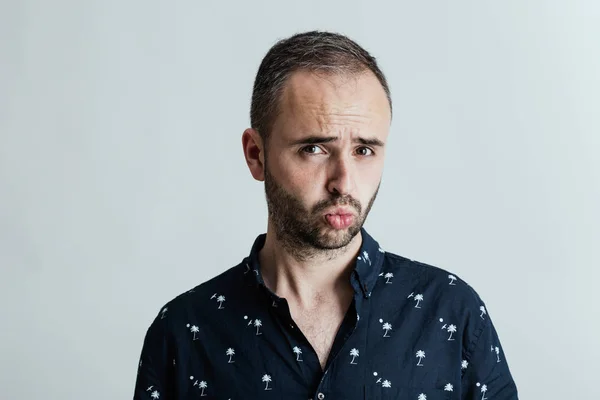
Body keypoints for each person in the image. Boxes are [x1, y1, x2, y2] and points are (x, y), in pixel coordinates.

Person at [133, 31, 518, 399]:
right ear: (256, 154)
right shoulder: (184, 333)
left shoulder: (452, 313)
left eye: (364, 150)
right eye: (314, 148)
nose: (343, 182)